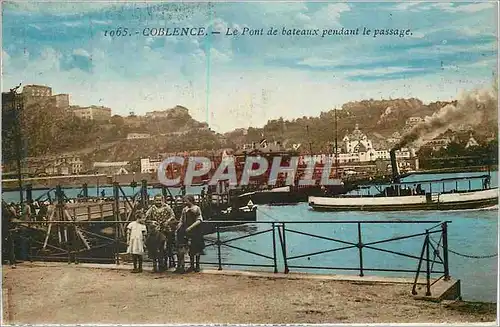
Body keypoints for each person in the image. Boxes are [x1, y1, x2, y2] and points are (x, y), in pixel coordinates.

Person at [175, 195, 205, 273]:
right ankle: (192, 265)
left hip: (195, 230)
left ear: (190, 200)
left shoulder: (196, 208)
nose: (185, 202)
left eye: (186, 200)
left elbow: (199, 220)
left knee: (197, 248)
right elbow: (182, 219)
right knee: (190, 249)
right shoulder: (184, 209)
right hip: (187, 230)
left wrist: (191, 227)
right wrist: (179, 225)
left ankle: (197, 266)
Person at [145, 195, 177, 268]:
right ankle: (160, 264)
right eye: (157, 200)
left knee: (168, 246)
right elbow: (146, 217)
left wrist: (168, 221)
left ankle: (169, 262)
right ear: (154, 201)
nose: (158, 202)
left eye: (160, 200)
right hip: (157, 229)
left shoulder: (167, 207)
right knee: (157, 246)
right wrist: (152, 221)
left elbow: (173, 215)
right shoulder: (152, 208)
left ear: (163, 200)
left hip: (166, 228)